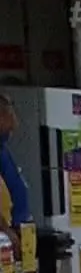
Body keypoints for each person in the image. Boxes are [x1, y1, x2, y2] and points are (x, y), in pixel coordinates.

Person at [0, 93, 31, 255]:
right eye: (11, 115)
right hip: (6, 236)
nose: (15, 124)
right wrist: (7, 230)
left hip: (18, 231)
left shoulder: (3, 149)